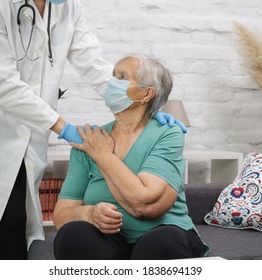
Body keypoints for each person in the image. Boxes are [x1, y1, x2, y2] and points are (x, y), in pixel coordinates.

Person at [0, 0, 184, 260]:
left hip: (22, 133)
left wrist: (148, 103)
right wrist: (65, 128)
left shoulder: (67, 9)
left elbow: (95, 65)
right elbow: (3, 84)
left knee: (17, 220)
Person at [52, 54, 209, 260]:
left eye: (122, 77)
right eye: (113, 76)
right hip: (111, 242)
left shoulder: (167, 133)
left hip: (165, 235)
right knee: (70, 235)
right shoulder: (90, 140)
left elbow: (144, 202)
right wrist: (87, 214)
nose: (111, 83)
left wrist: (102, 154)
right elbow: (61, 215)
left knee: (160, 243)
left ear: (146, 94)